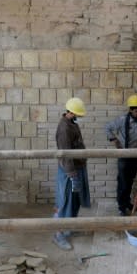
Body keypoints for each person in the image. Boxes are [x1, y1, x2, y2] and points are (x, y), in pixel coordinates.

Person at [52, 97, 90, 251]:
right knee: (65, 202)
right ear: (71, 113)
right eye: (77, 115)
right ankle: (58, 234)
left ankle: (69, 226)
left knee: (74, 201)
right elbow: (65, 153)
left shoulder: (72, 124)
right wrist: (72, 174)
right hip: (69, 171)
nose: (79, 117)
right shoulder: (64, 129)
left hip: (77, 167)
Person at [105, 94, 137, 216]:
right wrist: (114, 140)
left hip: (135, 155)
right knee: (123, 182)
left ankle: (127, 203)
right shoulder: (122, 120)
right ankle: (121, 207)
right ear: (131, 110)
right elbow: (107, 128)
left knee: (130, 181)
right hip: (123, 156)